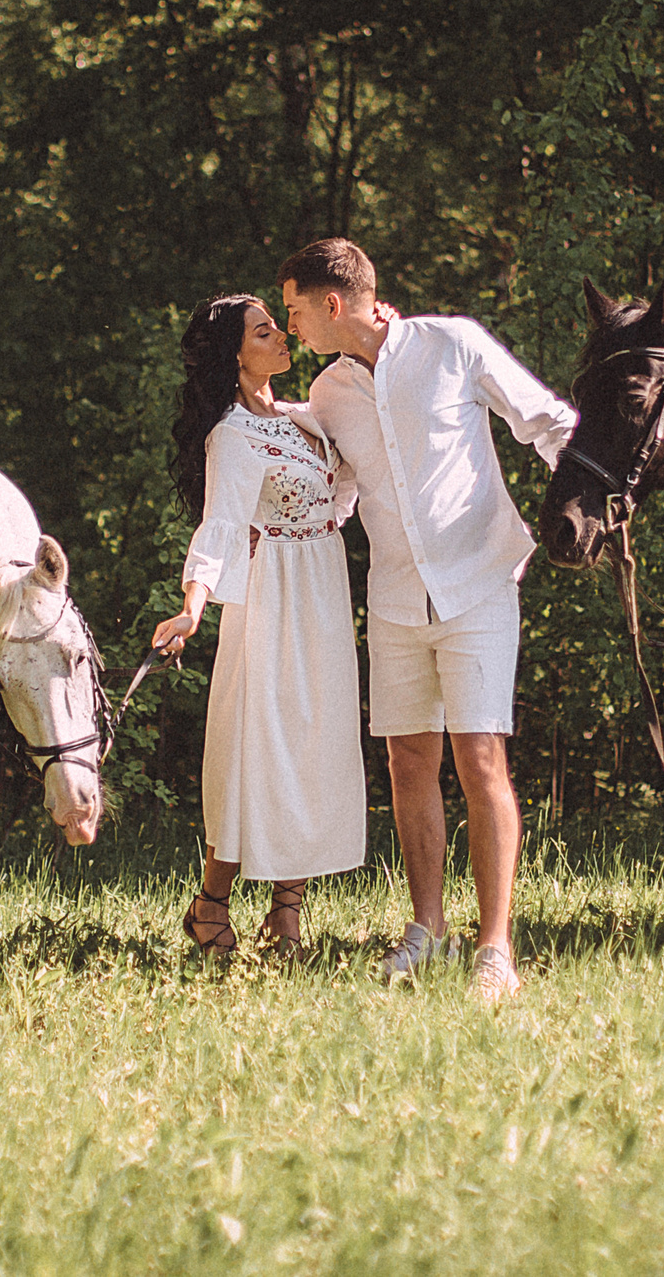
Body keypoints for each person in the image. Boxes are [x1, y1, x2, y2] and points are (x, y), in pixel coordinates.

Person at [280, 238, 576, 1002]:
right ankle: (427, 928)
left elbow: (548, 422)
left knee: (481, 759)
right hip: (395, 597)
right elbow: (335, 491)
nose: (292, 324)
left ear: (333, 303)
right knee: (408, 761)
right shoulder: (327, 395)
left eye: (295, 309)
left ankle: (495, 949)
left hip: (478, 585)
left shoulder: (453, 343)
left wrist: (594, 508)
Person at [151, 295, 367, 959]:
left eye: (278, 324)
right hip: (272, 594)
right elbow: (218, 524)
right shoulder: (232, 434)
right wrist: (192, 606)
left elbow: (358, 479)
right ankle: (211, 903)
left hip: (325, 593)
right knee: (259, 747)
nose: (281, 336)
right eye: (263, 330)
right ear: (235, 353)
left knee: (314, 742)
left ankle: (287, 914)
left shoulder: (311, 419)